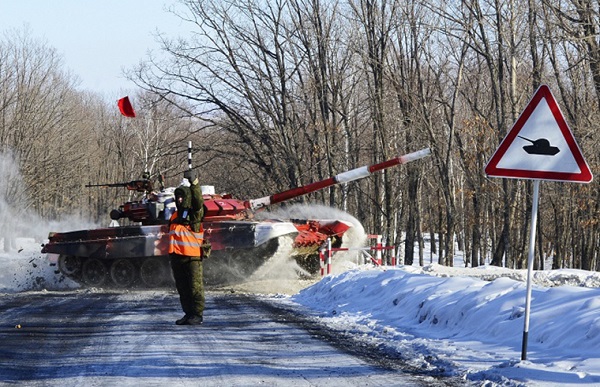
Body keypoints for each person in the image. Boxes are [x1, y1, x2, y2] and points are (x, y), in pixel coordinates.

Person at [169, 169, 205, 325]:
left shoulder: (194, 214)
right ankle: (188, 313)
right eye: (177, 197)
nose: (179, 200)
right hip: (177, 257)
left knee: (195, 287)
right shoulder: (175, 216)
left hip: (191, 257)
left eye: (182, 197)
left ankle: (197, 314)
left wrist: (194, 183)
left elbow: (198, 202)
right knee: (182, 289)